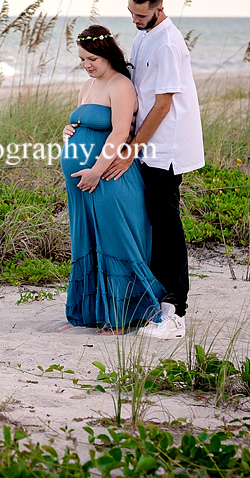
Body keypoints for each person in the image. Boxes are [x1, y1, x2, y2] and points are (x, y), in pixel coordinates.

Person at [101, 0, 205, 340]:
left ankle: (176, 310)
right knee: (148, 220)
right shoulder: (144, 36)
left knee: (166, 224)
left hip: (167, 147)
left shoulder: (167, 42)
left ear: (159, 9)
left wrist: (131, 149)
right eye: (131, 13)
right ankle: (151, 298)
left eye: (140, 15)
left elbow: (162, 106)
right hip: (147, 142)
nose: (134, 20)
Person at [61, 24, 165, 335]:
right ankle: (95, 312)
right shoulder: (87, 86)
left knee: (113, 240)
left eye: (92, 58)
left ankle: (123, 318)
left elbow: (120, 132)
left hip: (108, 177)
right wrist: (68, 133)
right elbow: (85, 123)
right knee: (89, 240)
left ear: (108, 55)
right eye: (82, 59)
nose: (87, 65)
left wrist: (95, 170)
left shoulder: (121, 85)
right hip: (84, 182)